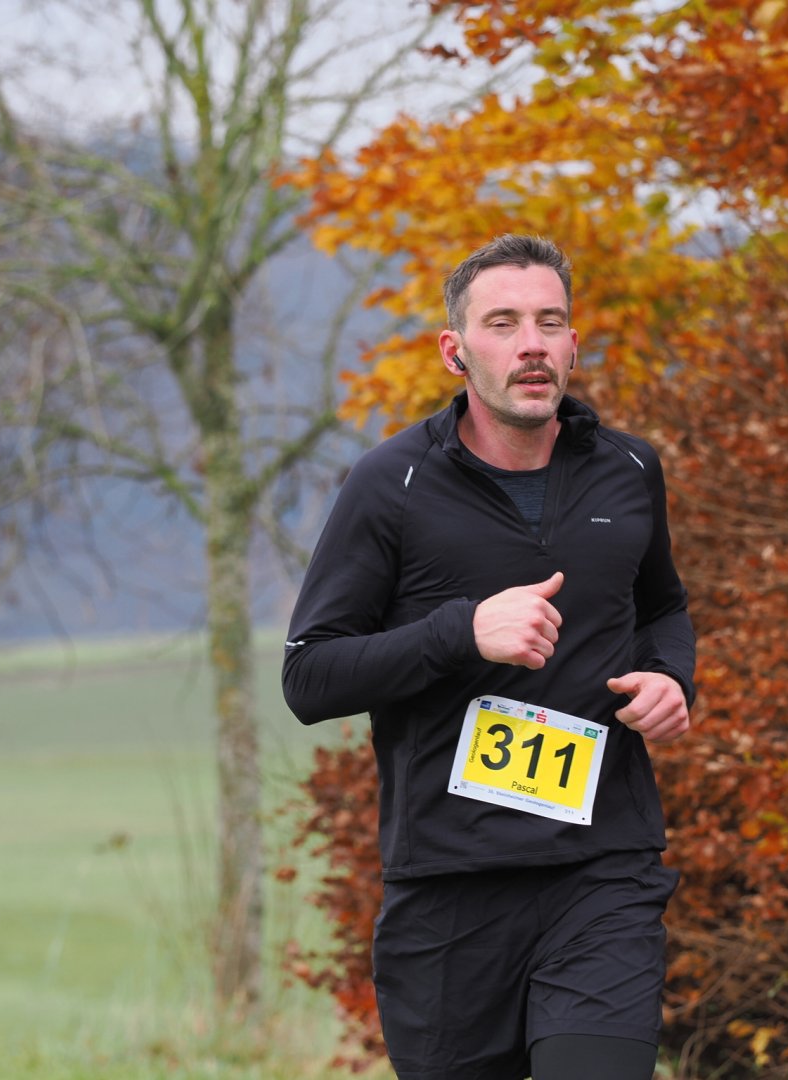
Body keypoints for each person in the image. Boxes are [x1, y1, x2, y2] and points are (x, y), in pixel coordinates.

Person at [282, 234, 696, 1080]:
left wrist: (668, 675)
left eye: (551, 322)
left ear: (574, 345)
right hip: (449, 890)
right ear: (456, 351)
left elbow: (663, 607)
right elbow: (310, 674)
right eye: (503, 324)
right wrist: (460, 632)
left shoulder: (628, 469)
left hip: (601, 873)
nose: (531, 344)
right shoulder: (390, 484)